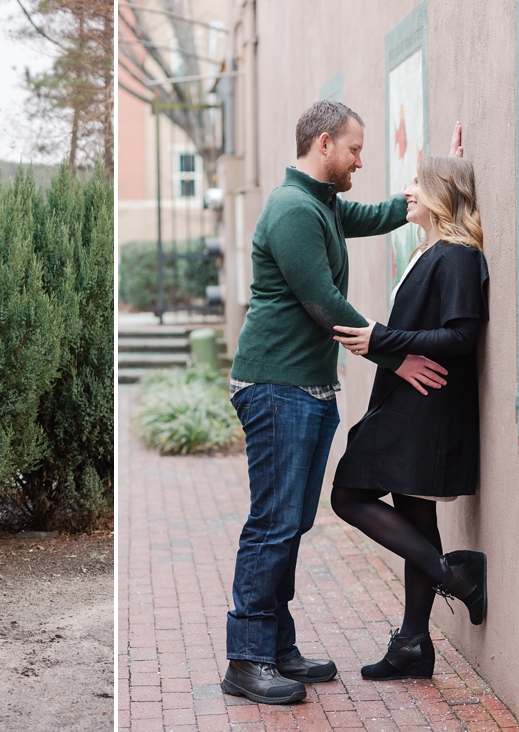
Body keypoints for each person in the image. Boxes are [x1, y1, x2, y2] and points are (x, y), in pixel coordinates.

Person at [220, 100, 462, 705]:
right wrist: (394, 353)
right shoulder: (293, 209)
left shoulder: (322, 204)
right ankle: (246, 658)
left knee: (292, 521)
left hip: (305, 389)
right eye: (354, 149)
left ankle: (277, 646)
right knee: (273, 523)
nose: (360, 160)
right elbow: (322, 303)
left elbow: (383, 213)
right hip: (277, 388)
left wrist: (443, 182)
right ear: (324, 144)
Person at [330, 156, 488, 680]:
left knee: (348, 494)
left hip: (427, 408)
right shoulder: (433, 250)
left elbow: (462, 337)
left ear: (443, 193)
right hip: (409, 403)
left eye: (418, 183)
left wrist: (382, 339)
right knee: (416, 519)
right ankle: (414, 644)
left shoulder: (460, 257)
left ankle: (454, 576)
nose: (407, 191)